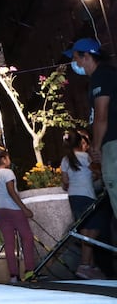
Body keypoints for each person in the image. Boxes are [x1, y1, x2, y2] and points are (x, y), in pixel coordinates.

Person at [64, 38, 117, 231]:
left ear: (86, 56)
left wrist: (95, 146)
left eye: (76, 58)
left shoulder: (101, 76)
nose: (75, 64)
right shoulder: (100, 77)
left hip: (112, 144)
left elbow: (101, 116)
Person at [61, 129, 109, 279]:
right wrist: (95, 175)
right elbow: (99, 172)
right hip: (87, 195)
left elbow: (65, 183)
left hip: (73, 197)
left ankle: (90, 267)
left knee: (84, 230)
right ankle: (84, 264)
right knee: (95, 227)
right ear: (80, 142)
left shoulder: (65, 159)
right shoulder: (85, 157)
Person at [0, 147, 35, 283]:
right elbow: (11, 191)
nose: (9, 160)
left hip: (0, 210)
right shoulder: (8, 173)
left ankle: (13, 275)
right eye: (7, 157)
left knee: (9, 243)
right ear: (3, 159)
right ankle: (29, 271)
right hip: (13, 209)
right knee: (27, 238)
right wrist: (24, 209)